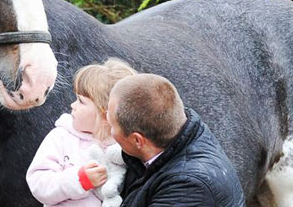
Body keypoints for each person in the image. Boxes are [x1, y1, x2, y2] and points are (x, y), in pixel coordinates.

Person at [107, 73, 245, 206]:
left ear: (138, 140)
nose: (108, 127)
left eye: (112, 124)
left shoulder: (189, 188)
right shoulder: (180, 133)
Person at [26, 58, 136, 207]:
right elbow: (38, 183)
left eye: (81, 101)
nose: (72, 105)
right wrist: (79, 180)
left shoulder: (124, 149)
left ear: (105, 115)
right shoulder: (61, 137)